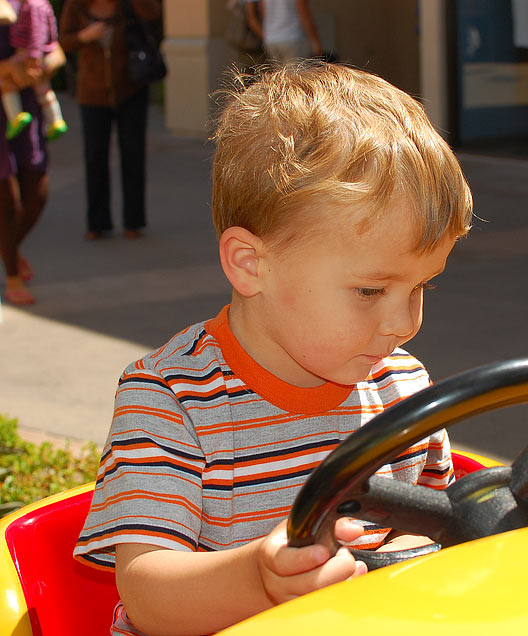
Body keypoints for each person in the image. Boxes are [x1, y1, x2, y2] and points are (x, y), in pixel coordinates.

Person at [73, 61, 473, 636]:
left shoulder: (404, 387)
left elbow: (436, 538)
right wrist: (259, 581)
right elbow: (148, 596)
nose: (405, 323)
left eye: (421, 287)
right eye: (370, 291)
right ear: (250, 264)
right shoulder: (172, 399)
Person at [58, 0, 161, 240]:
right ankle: (97, 223)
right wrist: (84, 36)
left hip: (130, 89)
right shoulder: (76, 5)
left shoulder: (127, 5)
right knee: (95, 157)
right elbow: (62, 41)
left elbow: (153, 13)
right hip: (92, 93)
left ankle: (133, 221)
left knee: (133, 154)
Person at [0, 0, 65, 305]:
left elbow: (57, 51)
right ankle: (12, 276)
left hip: (28, 108)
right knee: (6, 200)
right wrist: (8, 68)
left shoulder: (32, 3)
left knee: (38, 191)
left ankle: (8, 249)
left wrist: (42, 67)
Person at [0, 0, 68, 141]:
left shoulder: (32, 4)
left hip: (31, 113)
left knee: (42, 89)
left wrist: (41, 62)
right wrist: (9, 68)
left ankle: (54, 120)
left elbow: (50, 44)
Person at [255, 0, 322, 63]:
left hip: (271, 40)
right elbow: (304, 15)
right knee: (296, 70)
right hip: (292, 37)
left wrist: (268, 34)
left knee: (278, 70)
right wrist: (315, 42)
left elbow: (262, 11)